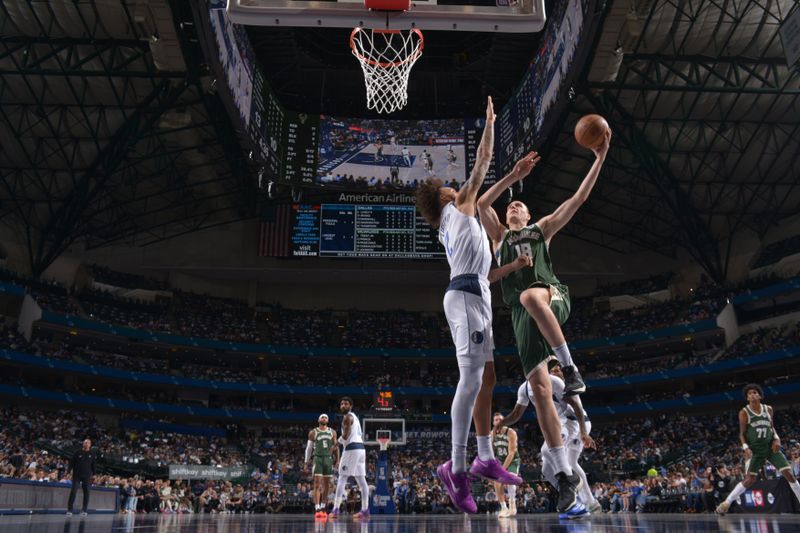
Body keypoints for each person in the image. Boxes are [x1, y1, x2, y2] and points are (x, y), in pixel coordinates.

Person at [477, 130, 610, 512]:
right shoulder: (500, 237)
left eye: (520, 205)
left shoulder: (541, 230)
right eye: (511, 205)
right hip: (521, 319)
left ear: (530, 215)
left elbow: (579, 198)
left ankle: (570, 369)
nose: (514, 206)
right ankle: (566, 477)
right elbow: (483, 202)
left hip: (551, 297)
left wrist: (598, 158)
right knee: (537, 391)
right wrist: (511, 178)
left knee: (530, 294)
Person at [415, 96, 522, 515]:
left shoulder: (460, 216)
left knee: (489, 376)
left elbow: (481, 195)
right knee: (472, 377)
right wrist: (490, 125)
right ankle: (456, 468)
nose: (456, 186)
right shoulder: (456, 209)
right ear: (445, 197)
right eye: (450, 186)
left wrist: (512, 175)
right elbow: (480, 165)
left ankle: (483, 456)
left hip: (476, 293)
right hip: (464, 297)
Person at [504, 359, 600, 516]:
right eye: (553, 370)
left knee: (551, 453)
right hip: (562, 424)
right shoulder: (528, 387)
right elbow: (516, 413)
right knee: (547, 469)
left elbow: (577, 408)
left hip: (574, 421)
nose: (555, 372)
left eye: (558, 370)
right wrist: (501, 423)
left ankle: (581, 494)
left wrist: (584, 432)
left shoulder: (560, 383)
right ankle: (576, 501)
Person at [716, 384, 800, 514]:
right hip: (755, 449)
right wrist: (745, 447)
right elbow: (742, 434)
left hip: (770, 447)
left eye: (754, 392)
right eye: (749, 393)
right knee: (750, 480)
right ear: (747, 398)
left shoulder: (768, 409)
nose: (752, 395)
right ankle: (726, 503)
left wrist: (777, 439)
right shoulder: (744, 412)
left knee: (789, 474)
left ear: (760, 395)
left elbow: (772, 428)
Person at [328, 397, 371, 520]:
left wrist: (335, 445)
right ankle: (365, 509)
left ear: (350, 406)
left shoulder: (347, 417)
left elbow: (345, 437)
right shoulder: (355, 418)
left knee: (342, 478)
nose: (343, 405)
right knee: (361, 481)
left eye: (346, 404)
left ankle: (335, 509)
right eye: (341, 403)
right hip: (361, 449)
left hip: (352, 449)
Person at [305, 414, 339, 519]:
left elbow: (336, 447)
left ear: (328, 421)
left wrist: (337, 460)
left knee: (327, 485)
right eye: (322, 417)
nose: (324, 418)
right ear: (318, 419)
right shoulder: (313, 432)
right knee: (317, 484)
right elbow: (309, 448)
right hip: (318, 458)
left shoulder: (332, 432)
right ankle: (317, 508)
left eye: (326, 417)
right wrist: (306, 461)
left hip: (328, 459)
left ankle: (323, 507)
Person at [491, 413, 520, 517]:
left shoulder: (510, 432)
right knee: (497, 483)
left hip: (512, 460)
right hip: (500, 460)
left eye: (500, 419)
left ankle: (512, 504)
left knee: (510, 480)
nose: (498, 421)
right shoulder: (492, 434)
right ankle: (503, 508)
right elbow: (491, 452)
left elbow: (511, 453)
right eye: (495, 420)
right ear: (493, 422)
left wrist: (502, 470)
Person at [66, 439, 96, 516]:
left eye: (88, 443)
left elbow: (93, 465)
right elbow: (72, 462)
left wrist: (94, 474)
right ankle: (69, 510)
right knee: (73, 491)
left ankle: (84, 510)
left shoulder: (92, 454)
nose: (86, 444)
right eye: (85, 443)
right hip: (77, 475)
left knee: (86, 493)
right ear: (83, 444)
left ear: (90, 445)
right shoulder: (77, 452)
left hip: (87, 476)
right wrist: (68, 472)